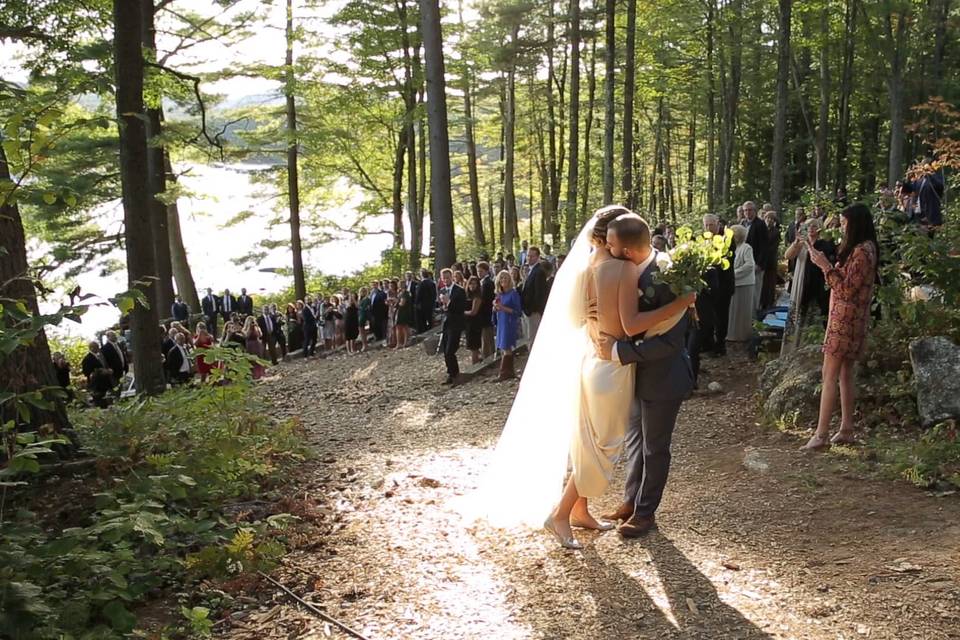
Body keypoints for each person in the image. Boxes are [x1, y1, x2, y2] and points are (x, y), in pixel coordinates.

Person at [802, 204, 879, 450]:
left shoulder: (863, 251)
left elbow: (846, 289)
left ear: (856, 223)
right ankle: (846, 428)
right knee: (845, 373)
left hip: (847, 321)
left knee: (830, 375)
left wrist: (825, 266)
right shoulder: (862, 249)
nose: (842, 227)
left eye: (845, 223)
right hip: (846, 318)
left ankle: (821, 433)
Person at [784, 218, 835, 319]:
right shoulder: (800, 244)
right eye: (808, 226)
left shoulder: (824, 244)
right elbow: (788, 256)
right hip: (801, 280)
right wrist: (796, 242)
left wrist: (809, 245)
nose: (811, 228)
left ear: (819, 229)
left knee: (813, 313)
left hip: (816, 282)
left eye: (814, 226)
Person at [727, 225, 756, 342]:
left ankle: (742, 335)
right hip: (734, 283)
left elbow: (749, 265)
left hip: (745, 283)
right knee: (733, 310)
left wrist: (734, 273)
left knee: (742, 310)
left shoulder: (746, 247)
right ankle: (731, 334)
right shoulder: (732, 248)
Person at [439, 268, 466, 385]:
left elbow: (461, 308)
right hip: (447, 323)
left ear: (452, 277)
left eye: (447, 277)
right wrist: (444, 306)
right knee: (445, 350)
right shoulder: (442, 290)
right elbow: (444, 308)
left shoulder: (459, 290)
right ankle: (450, 373)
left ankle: (456, 375)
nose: (445, 280)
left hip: (456, 323)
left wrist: (449, 302)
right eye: (443, 278)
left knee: (450, 350)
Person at [493, 270, 521, 380]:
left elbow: (517, 311)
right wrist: (495, 308)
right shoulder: (500, 294)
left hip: (509, 322)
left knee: (506, 346)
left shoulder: (513, 293)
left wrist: (503, 308)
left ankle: (504, 372)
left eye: (505, 278)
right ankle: (508, 371)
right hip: (501, 321)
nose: (503, 280)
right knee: (503, 346)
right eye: (501, 278)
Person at [901, 161, 946, 227]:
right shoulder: (919, 181)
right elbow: (907, 190)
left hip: (932, 216)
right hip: (920, 217)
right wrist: (907, 177)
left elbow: (940, 186)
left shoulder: (936, 178)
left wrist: (930, 175)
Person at [742, 201, 769, 311]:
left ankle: (754, 314)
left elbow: (764, 246)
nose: (748, 212)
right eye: (745, 210)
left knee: (755, 290)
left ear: (755, 211)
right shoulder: (742, 223)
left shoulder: (760, 224)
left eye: (750, 210)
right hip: (744, 262)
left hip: (756, 262)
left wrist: (759, 264)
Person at [521, 247, 549, 344]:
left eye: (532, 256)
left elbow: (539, 294)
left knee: (533, 339)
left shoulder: (539, 272)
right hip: (527, 311)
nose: (529, 258)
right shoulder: (531, 270)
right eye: (528, 256)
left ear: (537, 257)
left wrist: (531, 310)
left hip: (533, 312)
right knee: (528, 338)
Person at [760, 211, 781, 310]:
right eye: (767, 218)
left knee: (770, 283)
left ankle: (769, 303)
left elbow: (772, 247)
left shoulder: (776, 232)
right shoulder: (762, 230)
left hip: (770, 261)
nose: (769, 220)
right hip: (762, 261)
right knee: (763, 284)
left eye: (771, 218)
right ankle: (762, 303)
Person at [477, 262, 497, 359]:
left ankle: (488, 356)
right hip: (485, 313)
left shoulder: (487, 283)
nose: (479, 273)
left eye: (481, 271)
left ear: (486, 271)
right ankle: (490, 354)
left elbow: (485, 299)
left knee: (486, 336)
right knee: (486, 336)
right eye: (478, 271)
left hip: (486, 313)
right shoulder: (483, 282)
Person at [464, 276, 484, 364]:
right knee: (471, 345)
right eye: (470, 284)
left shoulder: (477, 297)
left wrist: (462, 312)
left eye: (474, 284)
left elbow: (473, 312)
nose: (472, 286)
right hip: (468, 323)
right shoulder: (468, 295)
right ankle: (478, 359)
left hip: (474, 323)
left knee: (474, 347)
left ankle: (474, 364)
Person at [243, 316, 265, 380]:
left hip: (257, 344)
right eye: (251, 321)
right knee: (251, 360)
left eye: (253, 321)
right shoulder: (245, 328)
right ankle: (252, 375)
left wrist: (257, 327)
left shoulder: (256, 327)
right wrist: (250, 328)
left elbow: (260, 335)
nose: (253, 322)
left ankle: (260, 374)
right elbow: (246, 336)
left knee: (258, 359)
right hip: (250, 345)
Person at [395, 280, 413, 349]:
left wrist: (396, 301)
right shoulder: (400, 293)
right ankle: (400, 343)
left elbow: (402, 303)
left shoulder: (405, 293)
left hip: (404, 311)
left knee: (403, 326)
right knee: (400, 327)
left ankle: (405, 342)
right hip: (400, 311)